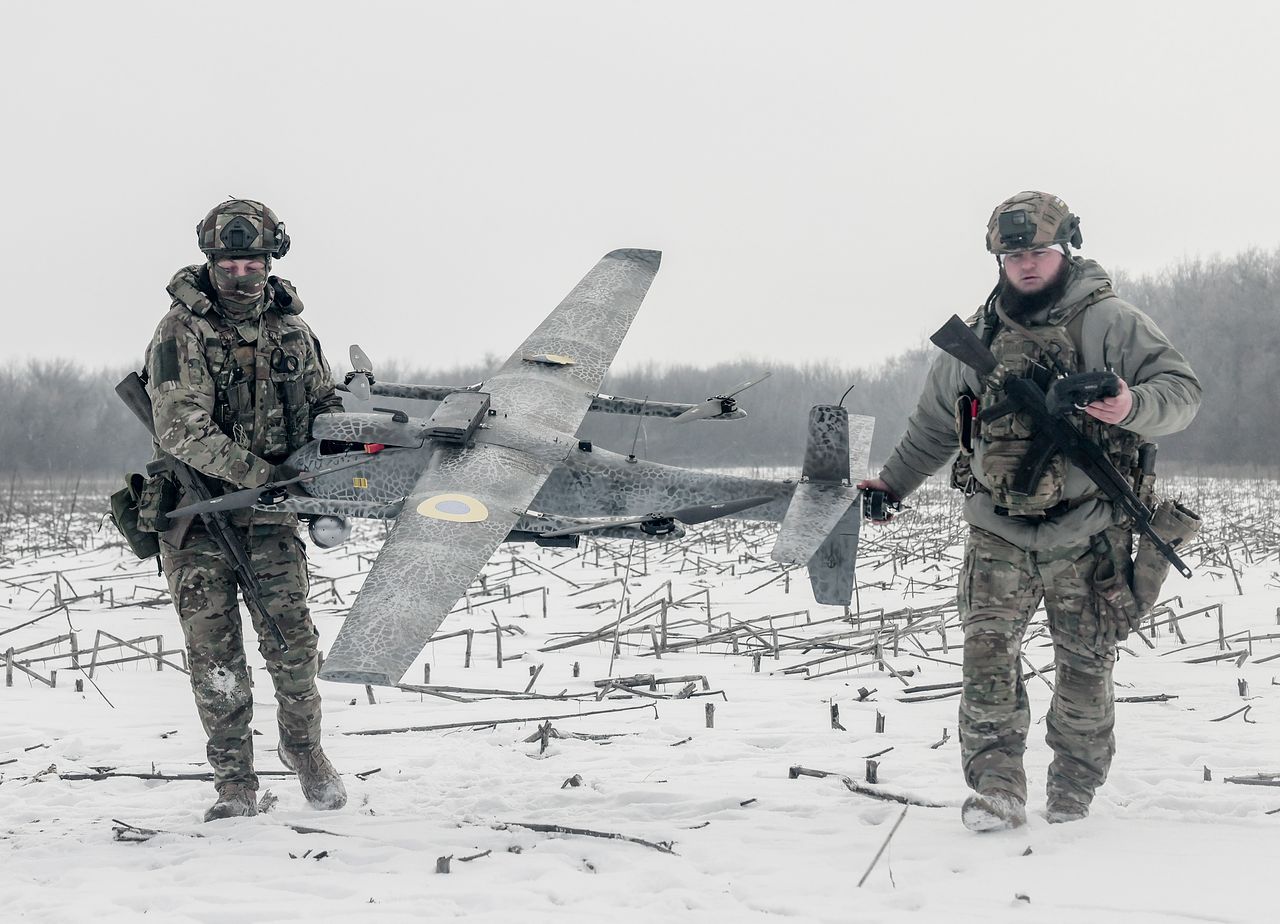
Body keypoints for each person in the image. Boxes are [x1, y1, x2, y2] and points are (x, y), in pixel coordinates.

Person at [860, 191, 1200, 831]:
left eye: (1039, 250)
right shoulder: (976, 338)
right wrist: (893, 486)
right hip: (997, 530)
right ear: (998, 257)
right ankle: (996, 788)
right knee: (986, 662)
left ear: (1064, 248)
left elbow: (1182, 393)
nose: (1027, 264)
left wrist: (1129, 406)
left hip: (1090, 529)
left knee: (1085, 671)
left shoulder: (1112, 323)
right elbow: (934, 429)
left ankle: (1072, 794)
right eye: (1013, 253)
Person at [145, 199, 347, 821]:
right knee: (215, 658)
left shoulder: (293, 331)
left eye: (253, 262)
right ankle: (234, 783)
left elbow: (320, 402)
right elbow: (181, 427)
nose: (242, 275)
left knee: (293, 647)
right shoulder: (181, 331)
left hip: (273, 520)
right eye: (230, 263)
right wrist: (263, 475)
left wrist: (336, 436)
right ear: (212, 263)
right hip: (198, 519)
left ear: (270, 261)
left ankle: (304, 749)